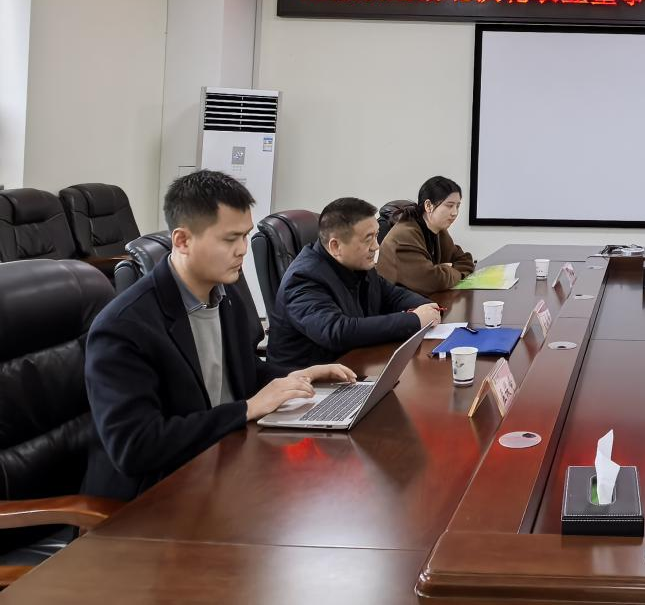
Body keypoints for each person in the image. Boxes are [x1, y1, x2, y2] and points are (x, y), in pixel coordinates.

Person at [83, 171, 354, 500]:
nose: (243, 250)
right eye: (230, 239)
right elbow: (136, 446)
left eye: (246, 236)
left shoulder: (226, 296)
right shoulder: (124, 326)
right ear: (182, 241)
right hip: (154, 496)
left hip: (223, 463)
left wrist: (298, 375)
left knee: (328, 486)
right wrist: (246, 409)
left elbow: (241, 371)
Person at [266, 197, 443, 372]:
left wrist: (426, 306)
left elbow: (391, 294)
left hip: (352, 365)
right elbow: (337, 331)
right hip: (306, 381)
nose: (376, 246)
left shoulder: (358, 263)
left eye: (376, 236)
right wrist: (414, 320)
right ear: (335, 246)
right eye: (368, 239)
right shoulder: (303, 278)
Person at [377, 176, 475, 295]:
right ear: (428, 206)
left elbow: (465, 260)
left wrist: (443, 270)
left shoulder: (439, 230)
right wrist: (448, 270)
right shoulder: (404, 235)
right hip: (395, 302)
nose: (455, 213)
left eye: (457, 206)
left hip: (421, 298)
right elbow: (433, 281)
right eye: (449, 205)